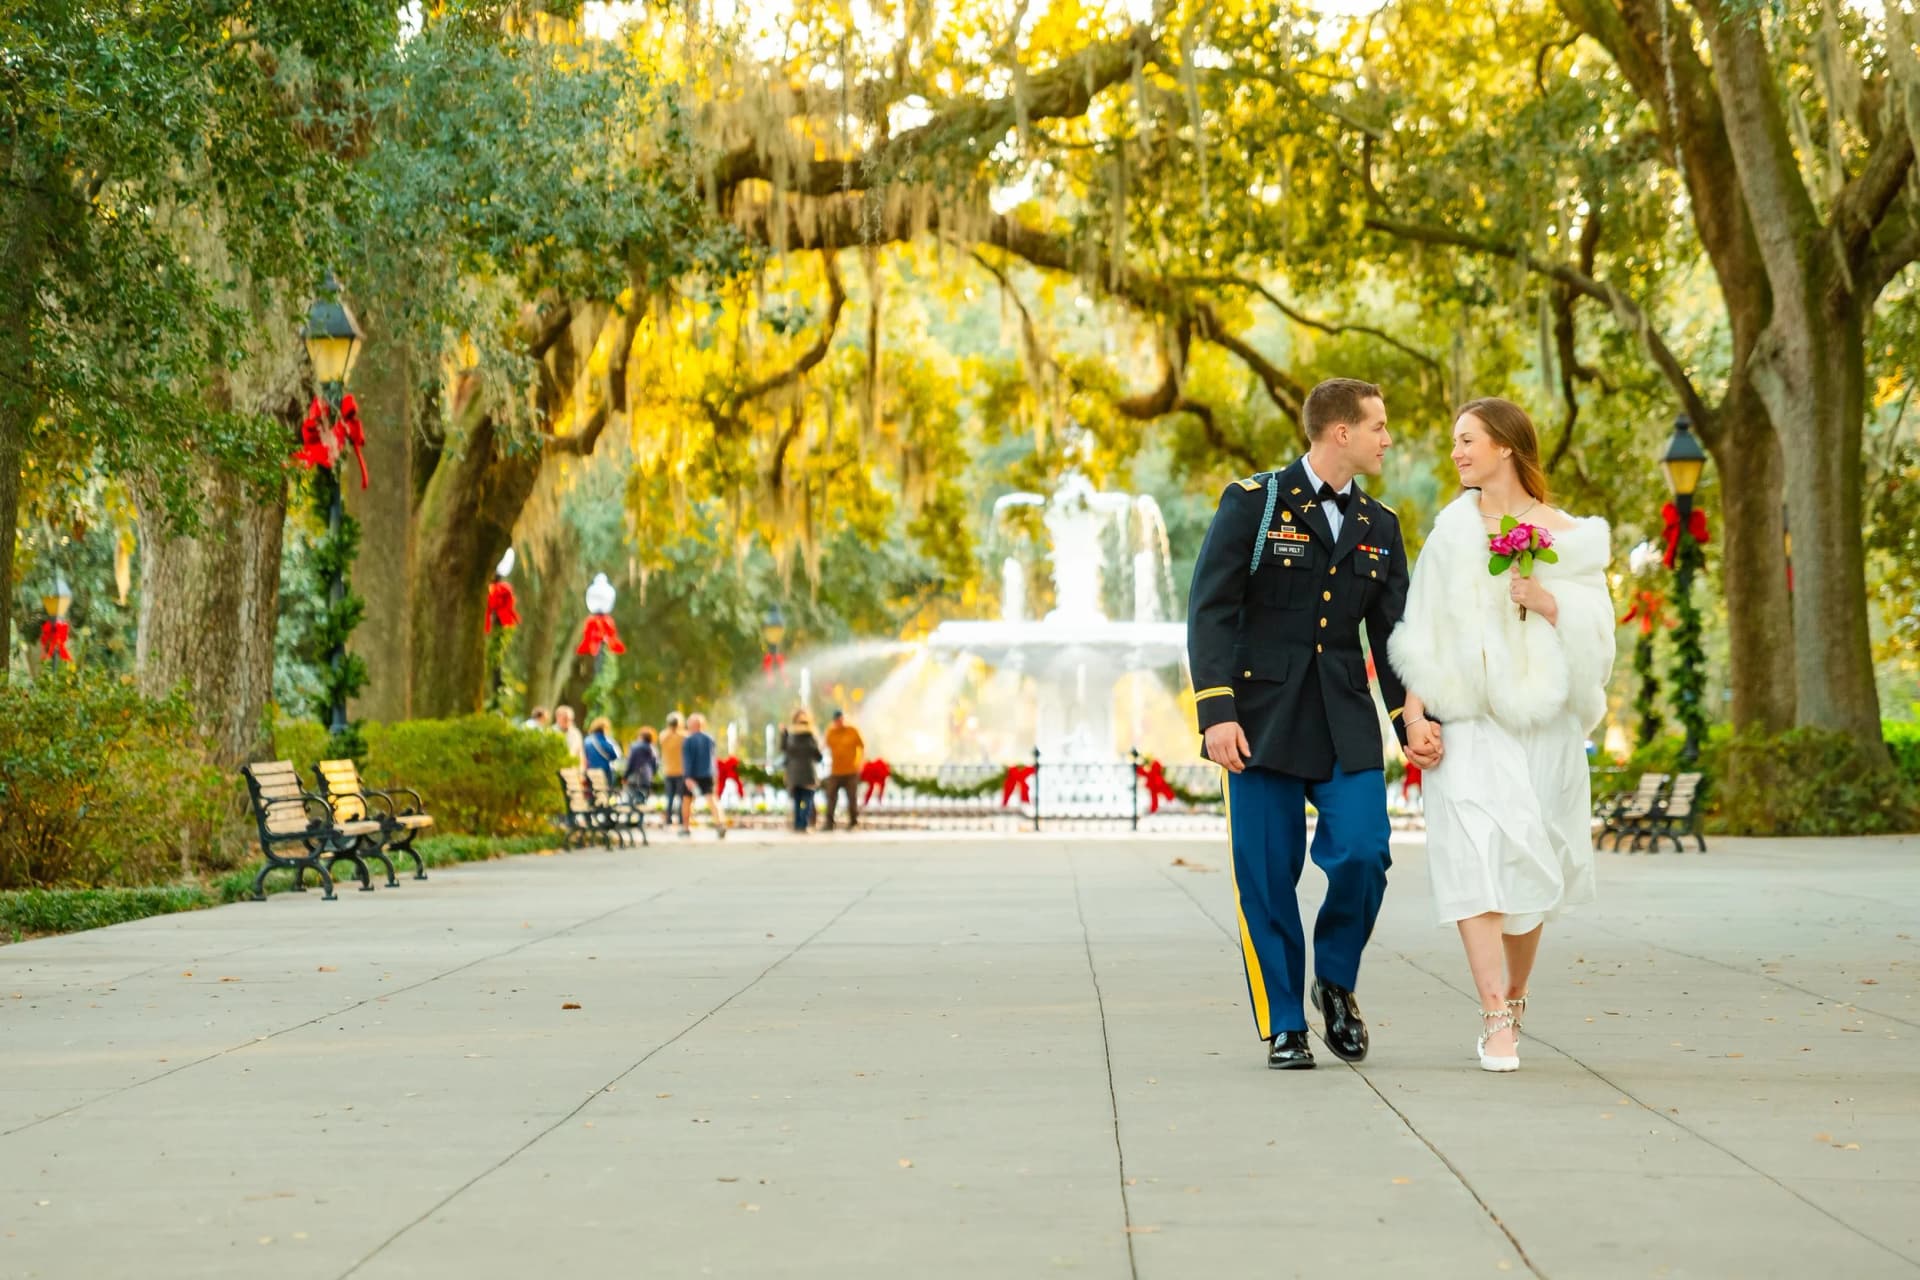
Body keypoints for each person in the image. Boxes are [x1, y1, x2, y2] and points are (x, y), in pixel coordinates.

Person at [1187, 377, 1424, 1072]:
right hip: (1257, 722)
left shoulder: (1380, 526)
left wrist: (1412, 716)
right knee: (1265, 874)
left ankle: (1336, 981)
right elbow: (1211, 609)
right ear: (1340, 432)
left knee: (1364, 851)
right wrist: (1216, 713)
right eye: (1378, 426)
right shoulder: (1254, 504)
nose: (1387, 438)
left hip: (1345, 719)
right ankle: (1285, 1021)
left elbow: (1393, 634)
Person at [1386, 397, 1614, 1072]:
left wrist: (1548, 602)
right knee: (1472, 858)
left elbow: (1600, 642)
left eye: (1468, 441)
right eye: (1455, 442)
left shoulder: (1566, 535)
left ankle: (1515, 997)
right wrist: (1415, 714)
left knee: (1527, 867)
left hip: (1542, 727)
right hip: (1469, 724)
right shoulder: (1450, 535)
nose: (1456, 453)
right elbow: (1423, 630)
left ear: (1506, 448)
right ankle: (1493, 1015)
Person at [680, 712, 727, 839]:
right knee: (712, 800)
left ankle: (685, 828)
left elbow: (687, 760)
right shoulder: (709, 739)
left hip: (692, 775)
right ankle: (720, 824)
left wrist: (688, 777)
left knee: (686, 801)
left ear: (691, 725)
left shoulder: (688, 740)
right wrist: (714, 774)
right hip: (708, 774)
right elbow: (713, 758)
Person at [780, 708, 825, 833]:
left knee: (797, 800)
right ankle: (804, 824)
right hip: (808, 773)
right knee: (807, 799)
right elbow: (818, 756)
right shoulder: (811, 736)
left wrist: (783, 734)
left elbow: (784, 751)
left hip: (794, 774)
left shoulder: (790, 736)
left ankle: (797, 825)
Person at [821, 710, 865, 830]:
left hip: (851, 770)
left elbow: (862, 746)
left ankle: (854, 822)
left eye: (841, 719)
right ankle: (829, 823)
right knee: (831, 797)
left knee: (852, 797)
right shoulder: (831, 732)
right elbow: (824, 746)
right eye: (836, 721)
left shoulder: (852, 730)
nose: (839, 722)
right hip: (836, 771)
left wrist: (860, 762)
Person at [659, 713, 687, 829]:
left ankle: (668, 820)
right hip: (681, 771)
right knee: (681, 797)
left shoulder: (664, 735)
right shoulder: (684, 736)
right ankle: (681, 819)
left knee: (669, 797)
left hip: (668, 771)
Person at [624, 726, 659, 806]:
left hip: (634, 777)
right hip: (647, 778)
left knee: (631, 798)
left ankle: (630, 816)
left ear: (641, 736)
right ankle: (640, 816)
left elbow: (630, 763)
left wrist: (625, 776)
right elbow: (656, 765)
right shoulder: (653, 749)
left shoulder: (635, 747)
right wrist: (652, 775)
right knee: (642, 798)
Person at [554, 705, 585, 769]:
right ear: (557, 717)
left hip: (572, 771)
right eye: (565, 718)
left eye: (571, 719)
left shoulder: (576, 733)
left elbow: (580, 754)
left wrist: (582, 770)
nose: (568, 721)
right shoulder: (551, 733)